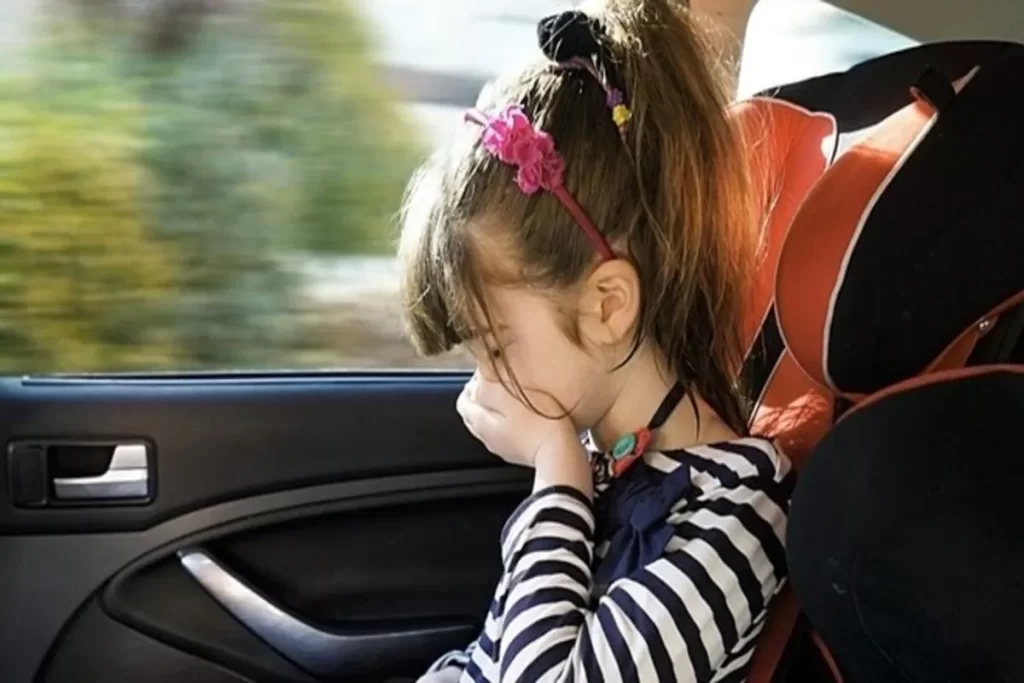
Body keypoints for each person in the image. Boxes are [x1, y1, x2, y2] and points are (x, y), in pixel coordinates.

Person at [397, 1, 792, 680]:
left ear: (608, 306)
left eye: (496, 344)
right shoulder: (608, 461)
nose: (480, 385)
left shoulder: (733, 517)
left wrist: (556, 477)